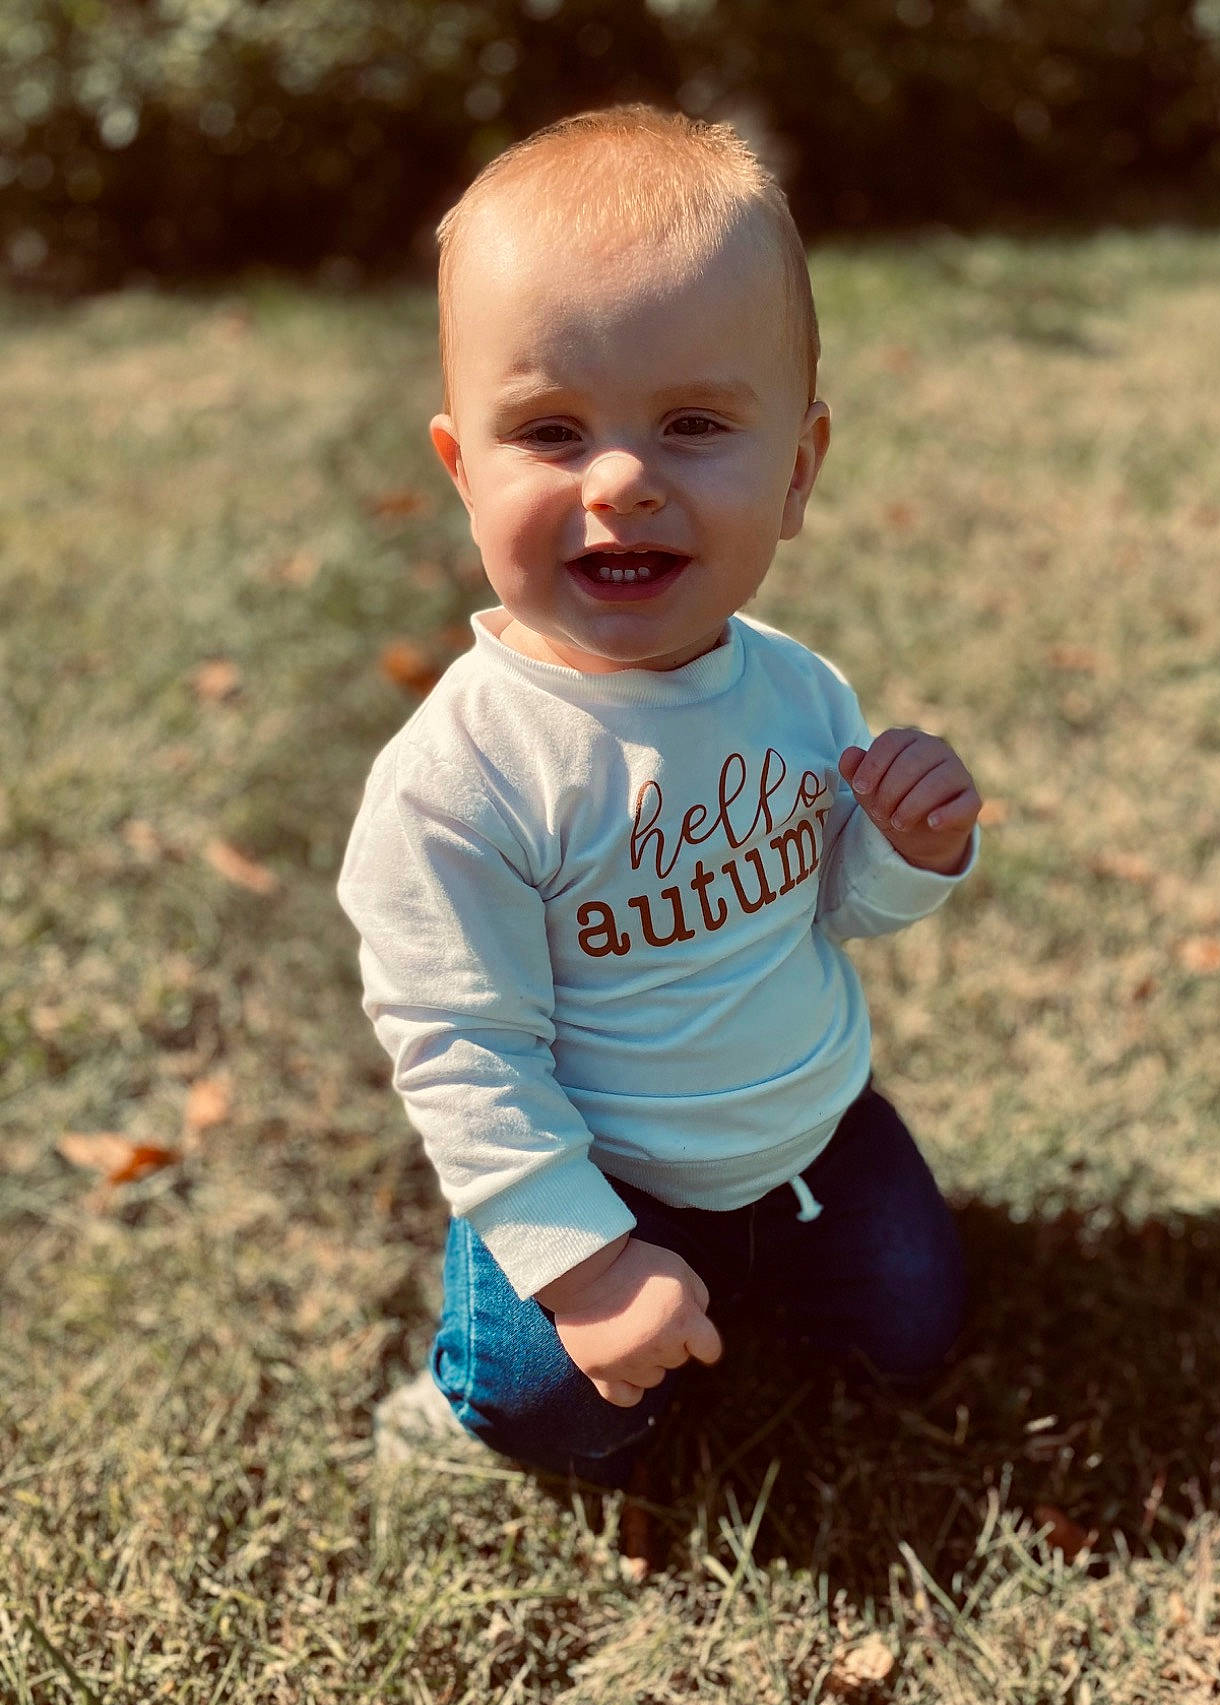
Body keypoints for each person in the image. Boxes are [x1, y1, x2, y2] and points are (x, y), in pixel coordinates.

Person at [338, 105, 983, 1491]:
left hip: (808, 1131)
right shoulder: (464, 780)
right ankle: (473, 1375)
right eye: (552, 430)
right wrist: (583, 1262)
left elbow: (834, 905)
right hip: (598, 1162)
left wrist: (908, 850)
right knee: (557, 1409)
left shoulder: (798, 692)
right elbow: (464, 1048)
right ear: (465, 473)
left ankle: (748, 1263)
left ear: (798, 472)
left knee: (913, 1336)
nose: (622, 479)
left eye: (693, 424)